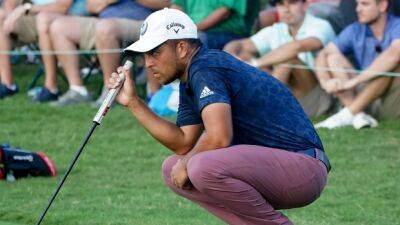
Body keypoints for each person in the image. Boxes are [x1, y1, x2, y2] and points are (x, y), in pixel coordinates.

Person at [111, 8, 331, 224]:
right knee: (172, 168)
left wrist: (187, 163)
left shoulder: (206, 68)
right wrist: (134, 103)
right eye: (146, 55)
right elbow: (183, 143)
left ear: (181, 48)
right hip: (280, 167)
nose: (148, 63)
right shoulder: (191, 77)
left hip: (303, 167)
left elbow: (219, 137)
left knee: (200, 166)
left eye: (155, 52)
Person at [224, 0, 336, 117]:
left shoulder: (321, 25)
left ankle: (261, 109)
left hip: (321, 97)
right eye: (281, 4)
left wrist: (256, 63)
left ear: (305, 5)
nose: (286, 9)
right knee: (243, 55)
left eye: (292, 3)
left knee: (288, 60)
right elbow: (238, 44)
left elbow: (297, 47)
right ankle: (245, 106)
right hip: (289, 94)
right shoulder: (277, 29)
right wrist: (231, 55)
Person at [49, 0, 169, 106]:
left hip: (143, 23)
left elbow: (167, 4)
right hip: (104, 20)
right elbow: (91, 6)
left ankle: (111, 91)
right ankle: (77, 90)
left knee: (105, 28)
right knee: (59, 26)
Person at [314, 0, 400, 129]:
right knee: (333, 58)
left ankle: (346, 115)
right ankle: (358, 115)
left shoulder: (397, 25)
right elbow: (323, 54)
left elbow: (395, 54)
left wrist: (353, 81)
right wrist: (325, 82)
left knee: (392, 64)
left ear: (382, 6)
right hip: (364, 95)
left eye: (365, 4)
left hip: (391, 99)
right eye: (357, 4)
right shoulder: (355, 29)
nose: (358, 9)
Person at [0, 0, 88, 100]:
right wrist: (11, 16)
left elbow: (63, 7)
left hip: (68, 17)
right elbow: (10, 3)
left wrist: (27, 8)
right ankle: (7, 85)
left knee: (43, 19)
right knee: (1, 16)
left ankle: (51, 88)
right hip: (34, 16)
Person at [170, 0, 258, 50]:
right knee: (160, 43)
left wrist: (190, 31)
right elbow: (177, 5)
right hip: (193, 31)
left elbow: (224, 12)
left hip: (225, 33)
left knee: (193, 42)